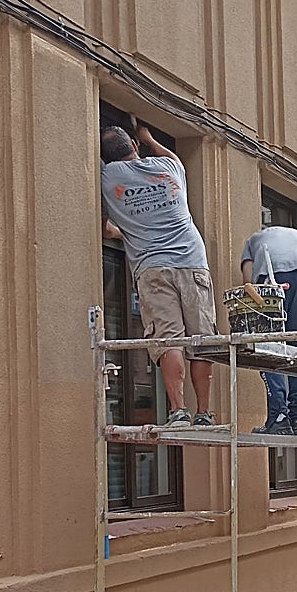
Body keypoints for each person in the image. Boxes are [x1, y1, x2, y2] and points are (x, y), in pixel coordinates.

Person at [101, 122, 215, 428]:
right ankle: (204, 412)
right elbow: (175, 158)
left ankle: (179, 411)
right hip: (193, 261)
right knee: (202, 340)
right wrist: (150, 138)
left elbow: (104, 227)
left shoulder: (107, 178)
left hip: (152, 268)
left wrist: (124, 232)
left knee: (169, 340)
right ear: (135, 148)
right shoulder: (168, 166)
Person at [240, 226, 297, 434]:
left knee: (270, 347)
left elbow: (248, 286)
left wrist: (255, 326)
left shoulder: (253, 242)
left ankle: (278, 417)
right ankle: (295, 419)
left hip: (270, 276)